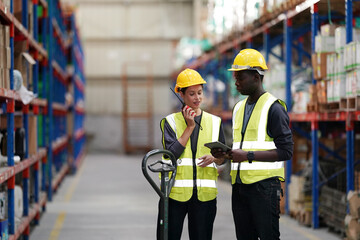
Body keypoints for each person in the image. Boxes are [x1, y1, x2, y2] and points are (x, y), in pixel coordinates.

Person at [212, 49, 293, 240]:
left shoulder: (274, 108)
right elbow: (243, 144)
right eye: (235, 77)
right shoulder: (239, 107)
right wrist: (225, 154)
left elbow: (286, 151)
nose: (236, 82)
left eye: (240, 77)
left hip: (264, 188)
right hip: (240, 187)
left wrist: (248, 156)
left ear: (256, 77)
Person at [158, 68, 226, 240]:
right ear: (181, 94)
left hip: (204, 196)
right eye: (191, 94)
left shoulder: (214, 122)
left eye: (200, 93)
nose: (197, 98)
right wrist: (189, 127)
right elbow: (170, 155)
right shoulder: (170, 122)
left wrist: (215, 158)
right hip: (175, 194)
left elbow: (222, 157)